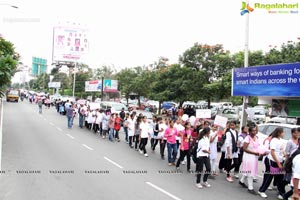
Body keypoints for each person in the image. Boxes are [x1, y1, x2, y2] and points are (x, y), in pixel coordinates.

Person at [258, 127, 286, 199]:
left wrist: (284, 156)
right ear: (279, 133)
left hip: (279, 160)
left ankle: (282, 193)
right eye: (283, 132)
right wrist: (278, 163)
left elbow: (281, 151)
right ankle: (261, 190)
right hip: (272, 161)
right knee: (269, 176)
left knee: (280, 177)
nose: (284, 133)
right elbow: (272, 152)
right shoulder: (273, 140)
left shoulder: (280, 140)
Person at [239, 126, 264, 195]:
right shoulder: (247, 138)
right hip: (248, 156)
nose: (254, 132)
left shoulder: (257, 138)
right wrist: (254, 153)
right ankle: (250, 188)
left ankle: (242, 181)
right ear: (249, 132)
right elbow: (244, 149)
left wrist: (261, 152)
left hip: (254, 157)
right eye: (253, 131)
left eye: (255, 130)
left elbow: (258, 146)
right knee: (250, 171)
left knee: (249, 169)